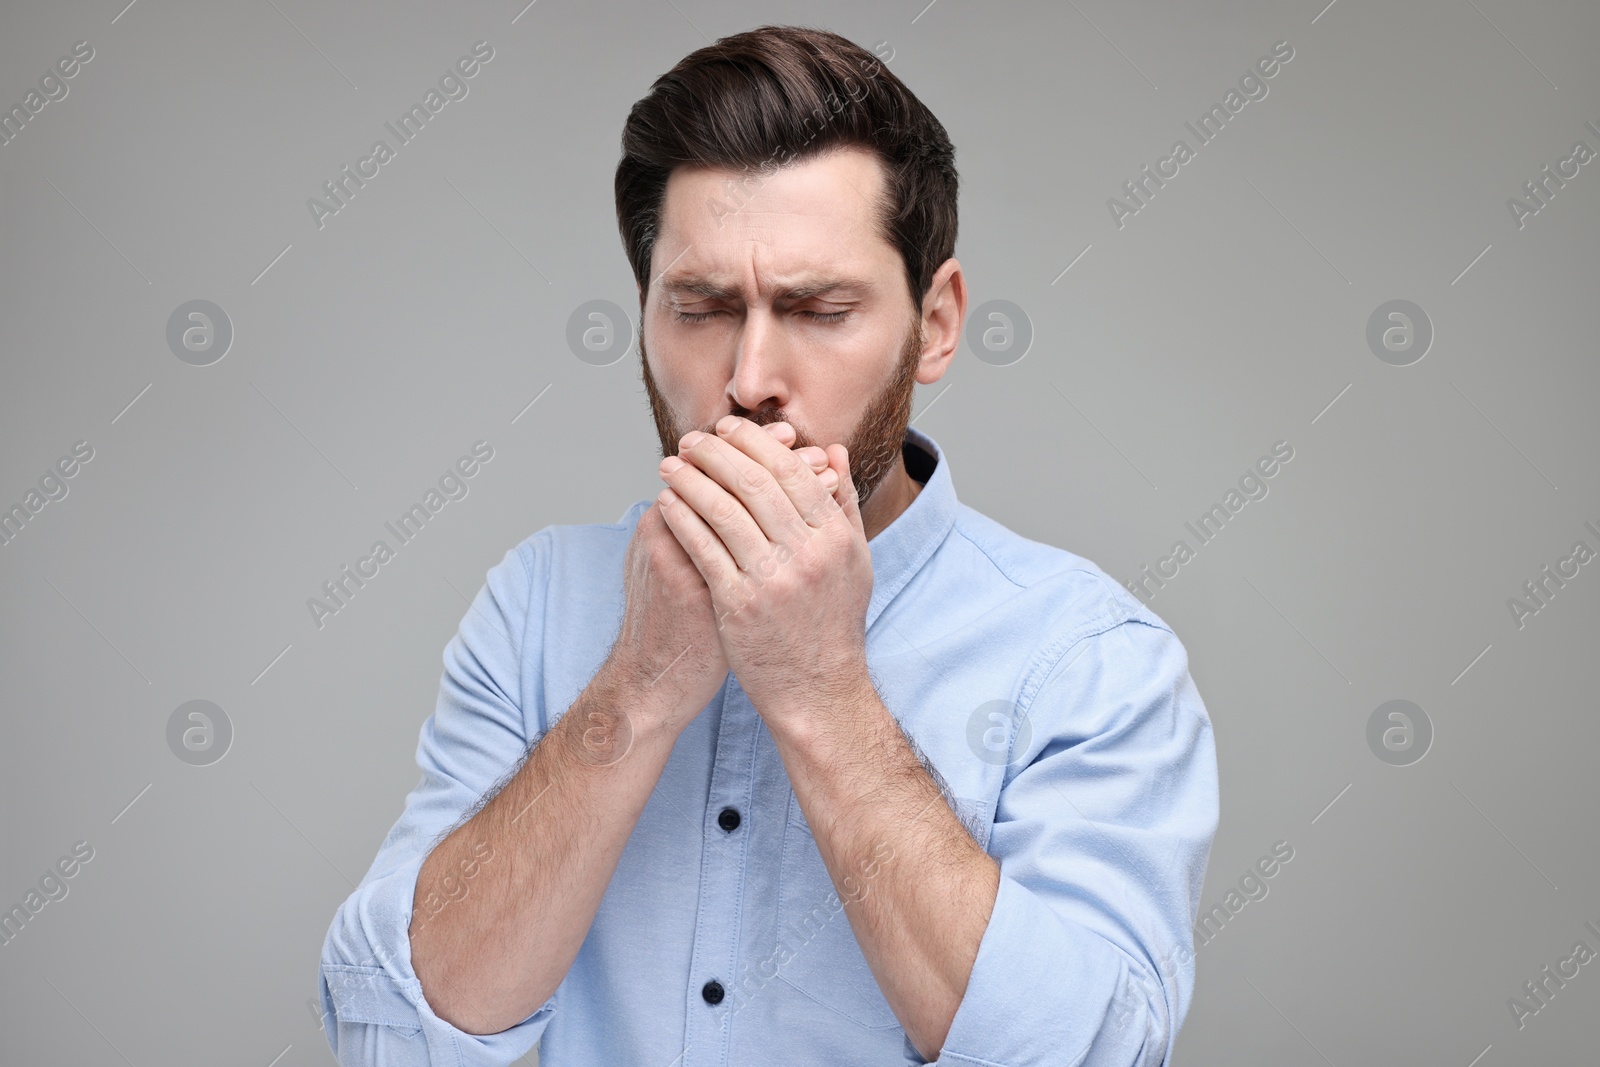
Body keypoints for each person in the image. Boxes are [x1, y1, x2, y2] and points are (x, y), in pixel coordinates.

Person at [318, 24, 1218, 1067]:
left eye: (818, 308)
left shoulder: (1091, 655)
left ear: (935, 323)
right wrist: (640, 684)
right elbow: (387, 1035)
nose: (748, 377)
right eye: (699, 308)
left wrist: (821, 689)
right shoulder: (535, 603)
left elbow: (1094, 1055)